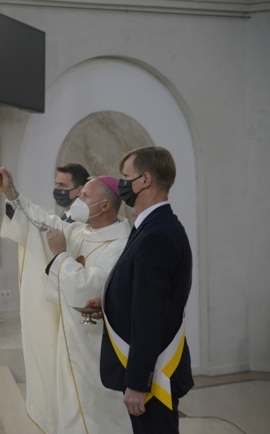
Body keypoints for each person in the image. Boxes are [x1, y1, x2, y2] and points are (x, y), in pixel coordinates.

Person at [0, 167, 132, 434]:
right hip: (69, 342)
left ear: (105, 205)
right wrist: (12, 195)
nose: (78, 202)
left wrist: (60, 255)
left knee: (98, 418)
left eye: (85, 197)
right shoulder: (81, 231)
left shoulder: (121, 245)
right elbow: (43, 225)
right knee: (69, 413)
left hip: (94, 351)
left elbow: (87, 289)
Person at [86, 146, 193, 434]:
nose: (122, 184)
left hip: (152, 374)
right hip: (149, 367)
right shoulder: (151, 227)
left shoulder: (157, 234)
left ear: (145, 180)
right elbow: (141, 292)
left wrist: (137, 383)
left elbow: (151, 314)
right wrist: (108, 304)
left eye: (126, 176)